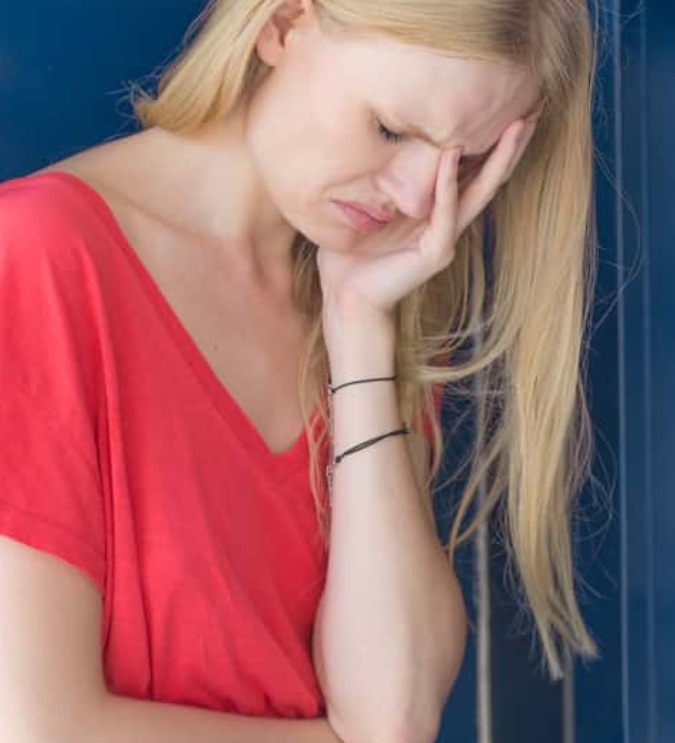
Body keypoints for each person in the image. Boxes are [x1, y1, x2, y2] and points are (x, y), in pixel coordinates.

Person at [0, 0, 597, 741]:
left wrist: (357, 328)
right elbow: (33, 725)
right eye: (390, 128)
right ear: (282, 24)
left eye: (463, 162)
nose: (417, 196)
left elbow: (392, 715)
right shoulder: (34, 259)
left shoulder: (375, 314)